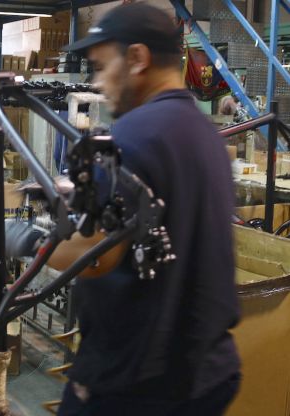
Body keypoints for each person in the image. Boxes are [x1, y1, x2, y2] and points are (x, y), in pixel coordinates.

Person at [57, 3, 241, 415]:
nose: (99, 83)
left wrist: (33, 240)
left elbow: (95, 256)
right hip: (207, 373)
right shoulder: (207, 135)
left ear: (137, 59)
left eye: (103, 66)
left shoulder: (130, 136)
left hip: (135, 383)